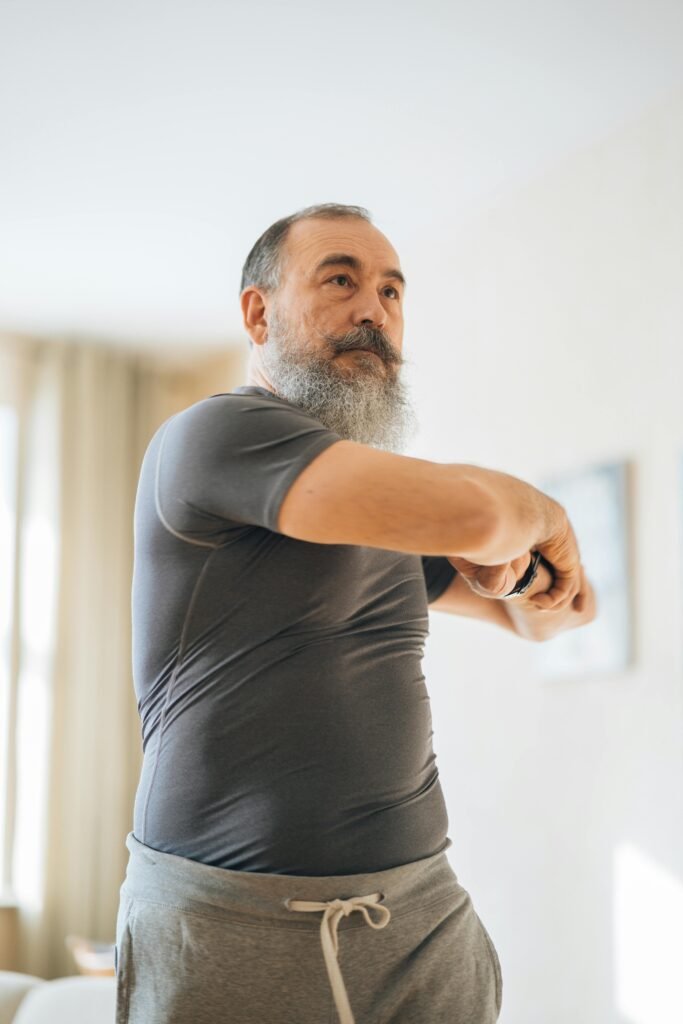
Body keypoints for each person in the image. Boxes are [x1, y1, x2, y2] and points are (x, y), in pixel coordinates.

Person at [115, 202, 591, 1024]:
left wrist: (521, 576)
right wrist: (538, 513)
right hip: (232, 922)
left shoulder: (383, 505)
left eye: (392, 291)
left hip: (418, 919)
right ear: (258, 312)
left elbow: (551, 617)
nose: (374, 310)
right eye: (340, 280)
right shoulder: (216, 435)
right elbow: (481, 519)